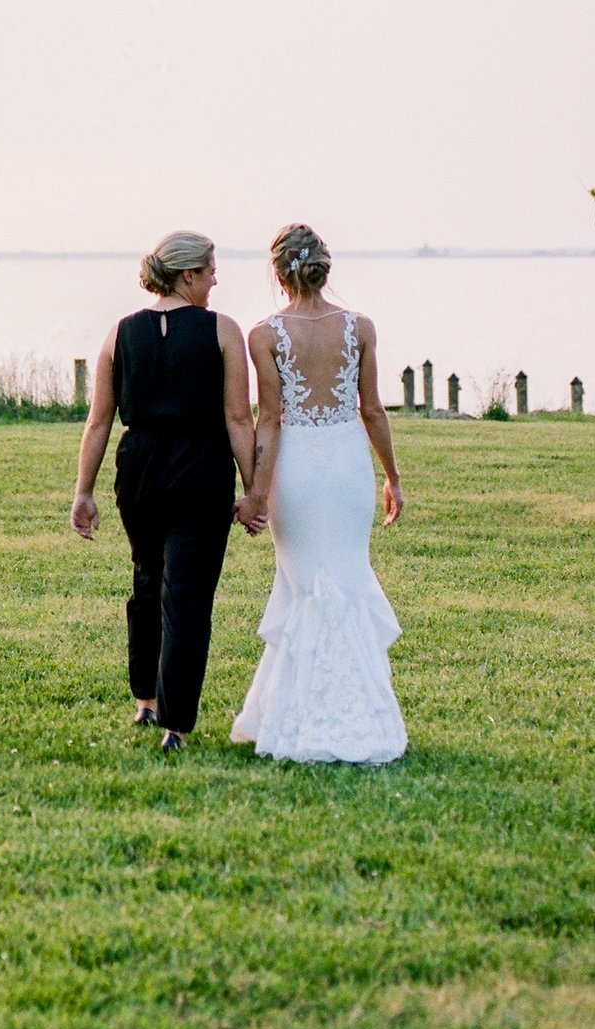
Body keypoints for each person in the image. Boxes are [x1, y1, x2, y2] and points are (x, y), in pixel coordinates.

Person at [69, 231, 258, 752]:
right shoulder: (223, 331)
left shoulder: (119, 332)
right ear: (188, 275)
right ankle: (175, 725)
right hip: (200, 468)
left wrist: (83, 491)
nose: (216, 278)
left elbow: (98, 419)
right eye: (211, 270)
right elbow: (239, 417)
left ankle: (145, 703)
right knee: (188, 596)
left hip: (140, 469)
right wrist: (253, 491)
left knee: (147, 583)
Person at [230, 223, 409, 764]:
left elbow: (270, 420)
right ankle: (356, 716)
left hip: (299, 469)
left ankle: (304, 719)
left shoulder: (263, 334)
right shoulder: (361, 327)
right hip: (348, 463)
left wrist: (257, 493)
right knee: (345, 578)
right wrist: (392, 476)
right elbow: (372, 409)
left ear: (279, 272)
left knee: (306, 582)